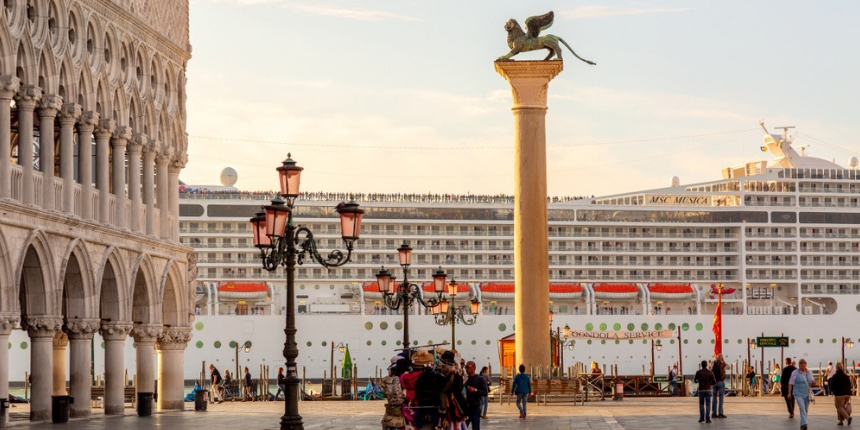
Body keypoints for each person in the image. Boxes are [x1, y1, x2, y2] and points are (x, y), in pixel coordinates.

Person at [380, 357, 408, 430]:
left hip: (389, 413)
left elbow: (384, 394)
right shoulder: (404, 379)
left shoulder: (387, 380)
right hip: (402, 414)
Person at [789, 358, 814, 430]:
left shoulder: (809, 372)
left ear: (806, 365)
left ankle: (802, 425)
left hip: (806, 393)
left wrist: (813, 382)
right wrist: (789, 393)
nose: (802, 365)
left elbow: (812, 381)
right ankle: (804, 424)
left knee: (805, 410)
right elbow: (790, 383)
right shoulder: (795, 372)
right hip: (798, 393)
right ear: (799, 365)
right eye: (801, 364)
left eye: (804, 364)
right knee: (802, 407)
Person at [465, 361, 488, 430]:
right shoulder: (465, 379)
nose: (466, 369)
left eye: (468, 367)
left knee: (475, 427)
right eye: (466, 367)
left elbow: (485, 392)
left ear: (474, 368)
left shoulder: (480, 379)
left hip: (475, 407)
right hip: (465, 408)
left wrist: (475, 390)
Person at [831, 361, 853, 426]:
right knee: (842, 407)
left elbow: (832, 386)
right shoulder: (846, 376)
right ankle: (841, 421)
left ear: (836, 368)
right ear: (842, 367)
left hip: (839, 394)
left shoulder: (835, 376)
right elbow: (849, 384)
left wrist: (834, 392)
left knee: (839, 407)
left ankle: (848, 418)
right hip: (847, 394)